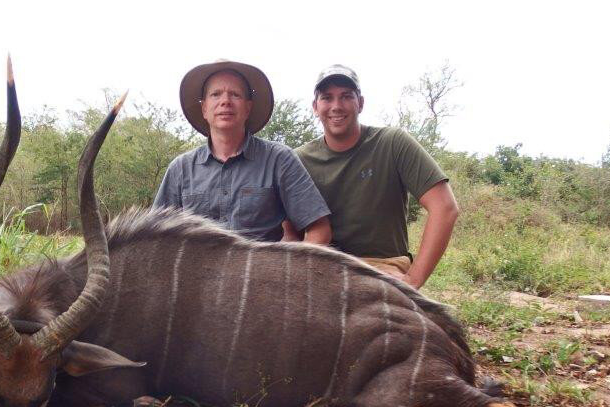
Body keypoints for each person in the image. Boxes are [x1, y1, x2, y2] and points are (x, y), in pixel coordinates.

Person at [292, 64, 459, 288]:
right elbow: (289, 234)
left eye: (346, 96)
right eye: (327, 98)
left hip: (383, 267)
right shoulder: (298, 159)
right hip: (324, 267)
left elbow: (445, 208)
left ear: (360, 103)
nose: (336, 106)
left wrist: (412, 280)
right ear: (315, 107)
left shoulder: (392, 142)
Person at [153, 59, 331, 244]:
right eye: (215, 94)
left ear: (248, 108)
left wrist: (292, 272)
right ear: (204, 108)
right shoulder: (181, 169)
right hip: (197, 272)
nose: (225, 101)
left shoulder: (279, 159)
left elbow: (319, 229)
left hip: (261, 271)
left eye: (235, 95)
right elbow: (156, 239)